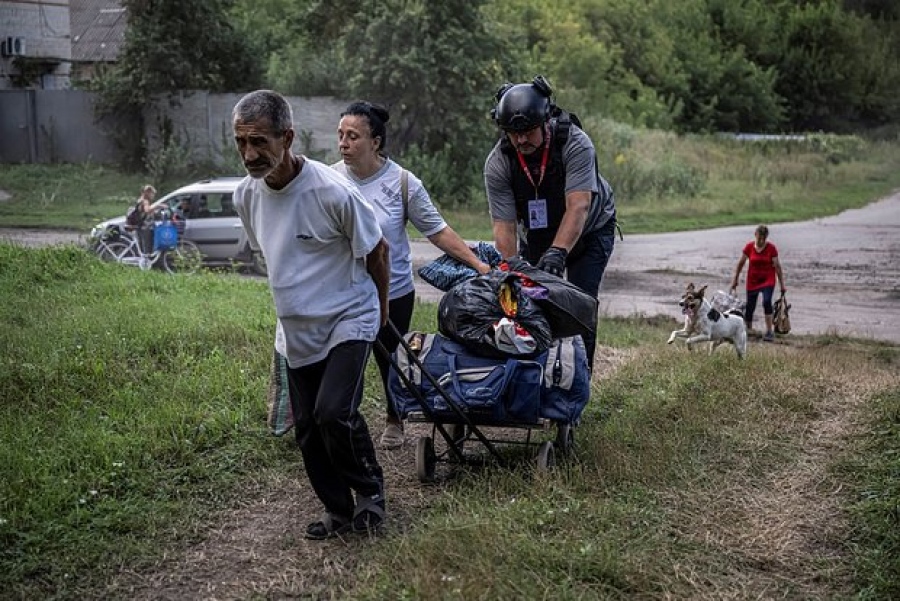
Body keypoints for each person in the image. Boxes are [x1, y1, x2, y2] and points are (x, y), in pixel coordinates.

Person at [231, 90, 391, 539]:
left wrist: (378, 312)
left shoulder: (331, 190)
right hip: (296, 330)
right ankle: (338, 510)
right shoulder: (246, 196)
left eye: (259, 142)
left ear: (288, 137)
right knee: (306, 427)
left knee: (333, 412)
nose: (249, 154)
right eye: (241, 142)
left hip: (348, 317)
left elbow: (378, 251)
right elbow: (273, 256)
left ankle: (371, 494)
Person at [332, 101, 492, 449]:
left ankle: (395, 418)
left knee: (392, 358)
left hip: (394, 291)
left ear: (375, 142)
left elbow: (437, 231)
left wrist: (478, 265)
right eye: (341, 135)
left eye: (353, 136)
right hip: (344, 290)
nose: (343, 143)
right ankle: (342, 422)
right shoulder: (329, 181)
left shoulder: (403, 183)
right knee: (346, 359)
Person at [484, 75, 617, 370]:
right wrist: (511, 268)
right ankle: (540, 376)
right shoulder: (498, 163)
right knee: (532, 301)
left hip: (590, 229)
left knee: (580, 303)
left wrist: (558, 253)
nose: (520, 140)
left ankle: (579, 382)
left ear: (545, 121)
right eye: (512, 133)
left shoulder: (576, 143)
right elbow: (503, 226)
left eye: (528, 132)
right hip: (540, 233)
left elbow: (578, 206)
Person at [729, 224, 787, 342]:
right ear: (755, 235)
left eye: (763, 238)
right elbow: (740, 264)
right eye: (759, 238)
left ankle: (769, 331)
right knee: (750, 307)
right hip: (753, 280)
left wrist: (782, 285)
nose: (761, 241)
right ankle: (749, 331)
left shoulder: (771, 248)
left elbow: (777, 267)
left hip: (768, 279)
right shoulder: (749, 247)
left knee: (766, 301)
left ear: (766, 238)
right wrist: (735, 279)